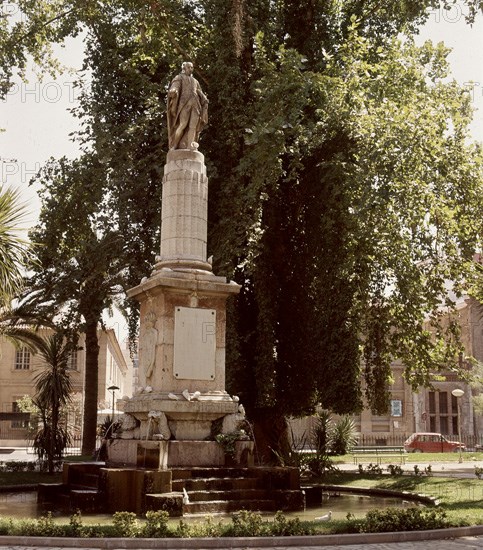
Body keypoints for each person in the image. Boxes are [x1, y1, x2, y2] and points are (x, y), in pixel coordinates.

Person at [167, 61, 208, 150]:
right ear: (184, 68)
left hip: (196, 105)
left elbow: (199, 92)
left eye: (192, 67)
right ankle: (174, 145)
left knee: (193, 126)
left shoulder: (195, 81)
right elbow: (175, 86)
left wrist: (204, 98)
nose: (191, 69)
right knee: (182, 124)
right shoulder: (179, 77)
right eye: (189, 67)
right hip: (184, 104)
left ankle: (190, 146)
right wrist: (173, 90)